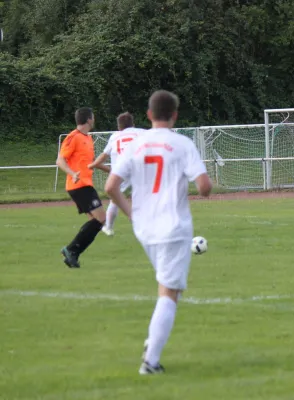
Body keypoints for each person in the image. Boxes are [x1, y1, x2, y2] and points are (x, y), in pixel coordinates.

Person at [105, 90, 212, 375]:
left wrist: (130, 213)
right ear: (175, 115)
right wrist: (200, 187)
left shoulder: (136, 146)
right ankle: (150, 361)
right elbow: (204, 186)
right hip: (173, 228)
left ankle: (152, 344)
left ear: (149, 115)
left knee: (165, 287)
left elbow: (110, 186)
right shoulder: (181, 144)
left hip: (145, 229)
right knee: (169, 293)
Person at [56, 107, 106, 268]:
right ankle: (71, 249)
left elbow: (90, 163)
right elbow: (60, 160)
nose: (94, 119)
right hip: (79, 185)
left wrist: (113, 171)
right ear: (89, 119)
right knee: (101, 218)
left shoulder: (88, 139)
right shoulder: (73, 137)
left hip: (85, 184)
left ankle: (73, 254)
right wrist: (72, 173)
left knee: (95, 222)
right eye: (93, 117)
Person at [88, 112, 146, 236]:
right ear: (133, 124)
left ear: (119, 127)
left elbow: (103, 157)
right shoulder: (142, 132)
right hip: (139, 169)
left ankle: (108, 227)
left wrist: (92, 165)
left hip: (122, 172)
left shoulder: (115, 136)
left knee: (115, 200)